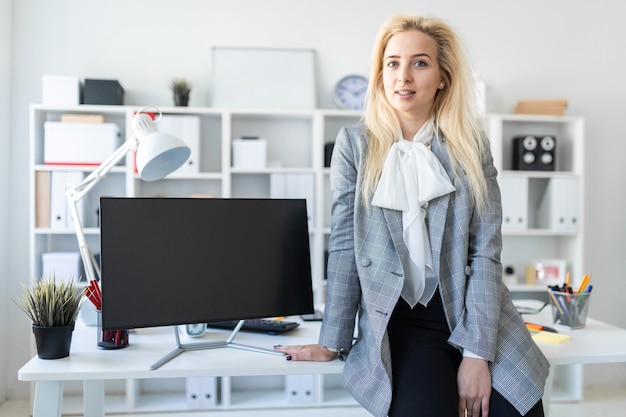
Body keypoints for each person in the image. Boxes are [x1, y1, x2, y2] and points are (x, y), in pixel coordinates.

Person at [275, 13, 550, 417]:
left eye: (419, 63)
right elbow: (347, 247)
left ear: (442, 77)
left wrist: (477, 355)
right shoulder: (355, 144)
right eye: (393, 63)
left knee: (514, 408)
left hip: (471, 313)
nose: (403, 75)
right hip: (400, 324)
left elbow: (485, 254)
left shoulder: (471, 145)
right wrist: (331, 340)